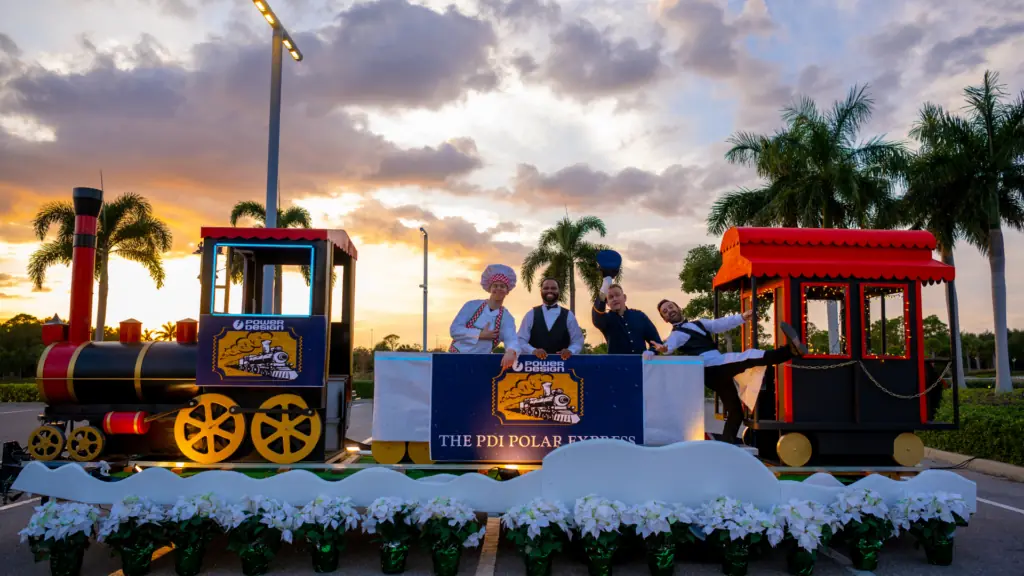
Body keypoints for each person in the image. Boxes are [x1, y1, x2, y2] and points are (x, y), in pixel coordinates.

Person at [652, 299, 808, 444]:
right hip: (710, 366)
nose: (669, 311)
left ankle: (727, 445)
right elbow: (669, 346)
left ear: (678, 307)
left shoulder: (699, 323)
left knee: (735, 412)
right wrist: (664, 349)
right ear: (665, 319)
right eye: (665, 311)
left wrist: (742, 317)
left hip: (716, 369)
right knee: (749, 356)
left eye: (670, 307)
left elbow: (720, 324)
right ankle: (790, 351)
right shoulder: (676, 335)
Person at [449, 264, 521, 369]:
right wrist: (480, 334)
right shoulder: (471, 306)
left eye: (502, 286)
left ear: (507, 291)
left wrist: (511, 351)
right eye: (495, 285)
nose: (499, 289)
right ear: (490, 288)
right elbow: (454, 330)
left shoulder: (507, 318)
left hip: (481, 362)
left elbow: (512, 339)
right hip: (456, 357)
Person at [592, 276, 662, 358]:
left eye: (617, 295)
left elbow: (656, 342)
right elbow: (596, 317)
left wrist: (652, 352)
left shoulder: (639, 316)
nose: (614, 299)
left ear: (624, 298)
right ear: (607, 303)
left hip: (641, 366)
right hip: (617, 367)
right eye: (611, 297)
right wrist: (605, 285)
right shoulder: (606, 319)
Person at [516, 277, 585, 360]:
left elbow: (577, 340)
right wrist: (533, 351)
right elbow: (520, 340)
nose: (549, 291)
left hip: (563, 367)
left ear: (559, 291)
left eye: (553, 288)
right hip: (534, 366)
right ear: (540, 291)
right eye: (546, 288)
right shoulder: (531, 314)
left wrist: (570, 350)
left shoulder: (569, 315)